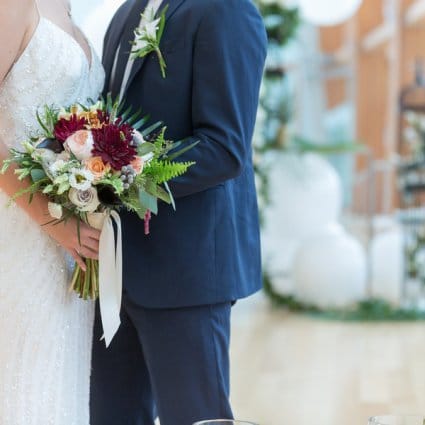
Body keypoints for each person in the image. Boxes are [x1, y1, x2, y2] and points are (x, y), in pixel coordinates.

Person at [91, 0, 267, 424]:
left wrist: (122, 176)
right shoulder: (126, 13)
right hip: (116, 272)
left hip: (187, 271)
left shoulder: (226, 11)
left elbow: (224, 149)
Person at [0, 0, 104, 423]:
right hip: (20, 231)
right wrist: (52, 218)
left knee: (59, 384)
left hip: (68, 245)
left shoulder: (66, 7)